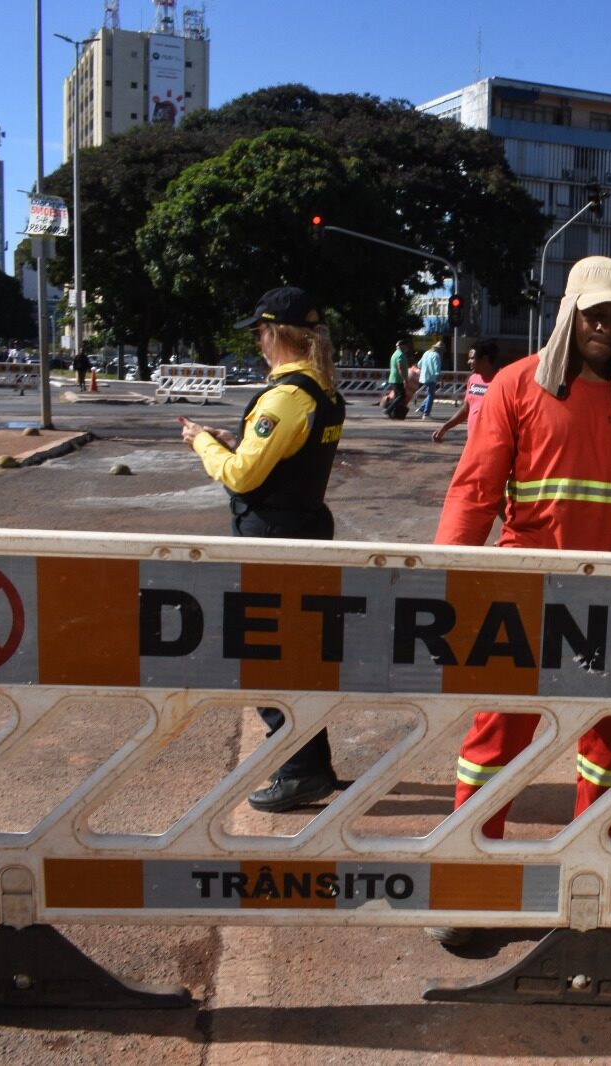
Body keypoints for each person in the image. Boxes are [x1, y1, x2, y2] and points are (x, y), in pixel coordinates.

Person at [429, 256, 611, 945]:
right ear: (569, 313)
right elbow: (475, 488)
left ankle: (592, 882)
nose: (604, 327)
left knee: (610, 743)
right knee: (495, 739)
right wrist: (448, 569)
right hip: (521, 591)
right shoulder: (516, 386)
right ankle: (470, 881)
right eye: (594, 313)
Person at [178, 285, 347, 812]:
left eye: (259, 332)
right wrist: (237, 442)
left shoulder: (285, 398)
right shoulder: (324, 391)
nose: (256, 342)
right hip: (304, 531)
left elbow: (243, 474)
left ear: (276, 333)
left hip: (270, 540)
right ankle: (312, 767)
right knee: (298, 657)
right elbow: (279, 458)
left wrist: (202, 443)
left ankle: (300, 772)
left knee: (264, 658)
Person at [431, 340, 498, 445]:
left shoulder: (502, 381)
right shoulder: (473, 379)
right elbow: (466, 409)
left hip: (493, 444)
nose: (468, 362)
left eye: (472, 359)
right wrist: (444, 427)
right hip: (472, 443)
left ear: (485, 359)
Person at [383, 338, 411, 419]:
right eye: (406, 346)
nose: (407, 347)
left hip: (394, 378)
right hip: (398, 379)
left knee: (397, 396)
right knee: (401, 396)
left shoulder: (395, 354)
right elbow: (400, 368)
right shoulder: (400, 355)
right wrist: (404, 379)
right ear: (402, 346)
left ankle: (393, 414)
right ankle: (388, 410)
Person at [416, 339, 445, 420]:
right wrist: (441, 380)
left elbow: (419, 364)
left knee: (430, 394)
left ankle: (421, 409)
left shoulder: (426, 353)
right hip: (431, 378)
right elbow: (437, 370)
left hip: (423, 377)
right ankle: (426, 413)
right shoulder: (436, 356)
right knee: (431, 395)